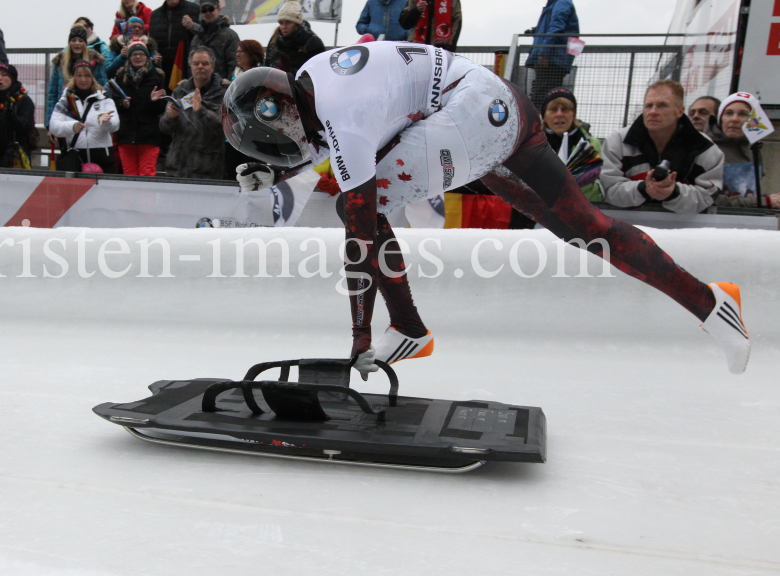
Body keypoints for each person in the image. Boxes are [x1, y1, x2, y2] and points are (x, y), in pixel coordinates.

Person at [222, 41, 751, 377]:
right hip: (495, 104)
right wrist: (279, 171)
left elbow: (358, 228)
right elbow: (328, 140)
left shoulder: (342, 115)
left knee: (359, 210)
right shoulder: (316, 76)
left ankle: (407, 327)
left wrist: (359, 334)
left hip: (469, 119)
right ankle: (711, 302)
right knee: (584, 228)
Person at [600, 80, 723, 214]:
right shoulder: (617, 141)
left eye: (662, 105)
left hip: (685, 230)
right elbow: (607, 189)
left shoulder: (704, 147)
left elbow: (708, 196)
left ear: (680, 111)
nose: (653, 111)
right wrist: (644, 188)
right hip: (628, 227)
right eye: (648, 105)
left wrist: (673, 193)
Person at [161, 46, 227, 179]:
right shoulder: (180, 91)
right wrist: (170, 117)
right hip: (176, 168)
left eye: (205, 63)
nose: (200, 67)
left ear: (212, 66)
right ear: (191, 67)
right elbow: (164, 129)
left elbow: (223, 128)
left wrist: (201, 111)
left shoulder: (225, 92)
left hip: (207, 170)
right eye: (196, 64)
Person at [48, 61, 120, 173]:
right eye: (79, 76)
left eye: (87, 76)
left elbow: (115, 126)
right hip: (76, 157)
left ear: (92, 78)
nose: (83, 80)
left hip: (102, 157)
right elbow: (54, 126)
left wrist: (106, 121)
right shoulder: (66, 101)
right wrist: (72, 127)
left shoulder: (104, 99)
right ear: (73, 78)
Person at [713, 92, 780, 208]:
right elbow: (708, 199)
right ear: (720, 119)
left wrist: (773, 199)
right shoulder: (707, 148)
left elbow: (748, 194)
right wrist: (764, 201)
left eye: (743, 114)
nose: (734, 119)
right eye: (729, 113)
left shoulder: (754, 149)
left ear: (754, 120)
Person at [526, 0, 580, 109]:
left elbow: (556, 28)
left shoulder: (561, 3)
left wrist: (543, 52)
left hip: (552, 58)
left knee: (541, 95)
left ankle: (538, 125)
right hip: (556, 58)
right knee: (546, 94)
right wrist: (536, 31)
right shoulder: (562, 3)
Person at [112, 43, 166, 176]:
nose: (138, 57)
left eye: (141, 54)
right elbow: (113, 101)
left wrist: (154, 101)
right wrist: (121, 104)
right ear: (129, 58)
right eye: (134, 54)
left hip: (148, 136)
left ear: (147, 57)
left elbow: (162, 108)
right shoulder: (120, 77)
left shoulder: (157, 77)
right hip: (126, 136)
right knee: (129, 176)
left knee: (146, 175)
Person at [540, 88, 603, 202]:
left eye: (565, 109)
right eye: (553, 110)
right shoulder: (531, 146)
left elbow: (599, 190)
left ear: (573, 115)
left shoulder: (591, 145)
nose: (559, 114)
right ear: (544, 116)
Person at [46, 26, 108, 131]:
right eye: (73, 40)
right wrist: (49, 124)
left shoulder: (95, 62)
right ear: (69, 43)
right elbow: (52, 94)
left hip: (90, 113)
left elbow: (104, 89)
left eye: (80, 40)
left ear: (85, 43)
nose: (77, 43)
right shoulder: (60, 62)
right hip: (65, 115)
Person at [149, 0, 200, 80]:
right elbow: (151, 43)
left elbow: (205, 34)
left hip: (187, 67)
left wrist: (192, 27)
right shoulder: (155, 15)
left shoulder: (194, 10)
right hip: (162, 69)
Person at [264, 0, 325, 73]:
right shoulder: (275, 41)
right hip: (274, 84)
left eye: (288, 22)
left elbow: (318, 71)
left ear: (297, 24)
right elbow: (267, 67)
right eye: (281, 23)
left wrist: (289, 72)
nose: (283, 27)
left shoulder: (312, 42)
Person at [188, 0, 239, 79]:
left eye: (211, 9)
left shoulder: (230, 35)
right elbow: (190, 66)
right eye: (204, 10)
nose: (208, 13)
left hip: (222, 86)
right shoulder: (196, 38)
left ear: (219, 10)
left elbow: (234, 65)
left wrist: (229, 85)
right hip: (200, 86)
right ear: (201, 13)